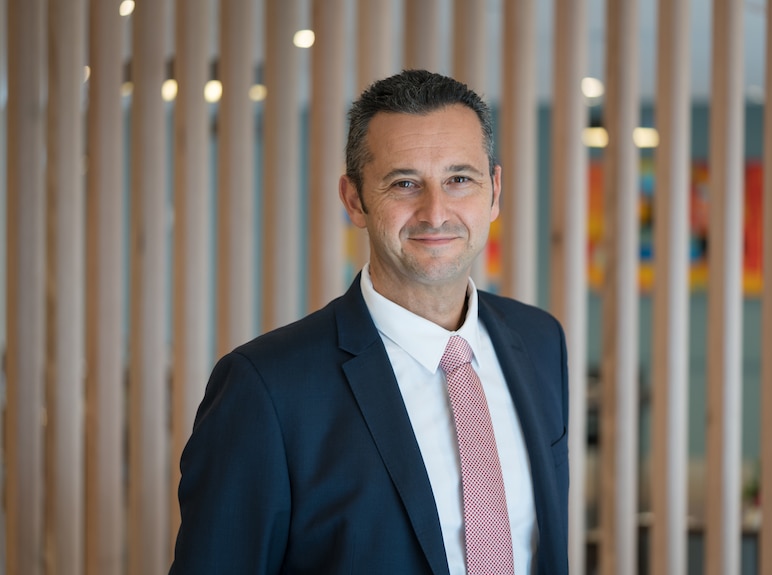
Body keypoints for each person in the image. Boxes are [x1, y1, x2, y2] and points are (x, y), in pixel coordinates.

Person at [170, 69, 569, 575]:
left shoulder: (540, 343)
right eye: (405, 184)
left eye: (459, 179)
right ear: (354, 200)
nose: (435, 212)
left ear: (493, 192)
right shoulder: (267, 388)